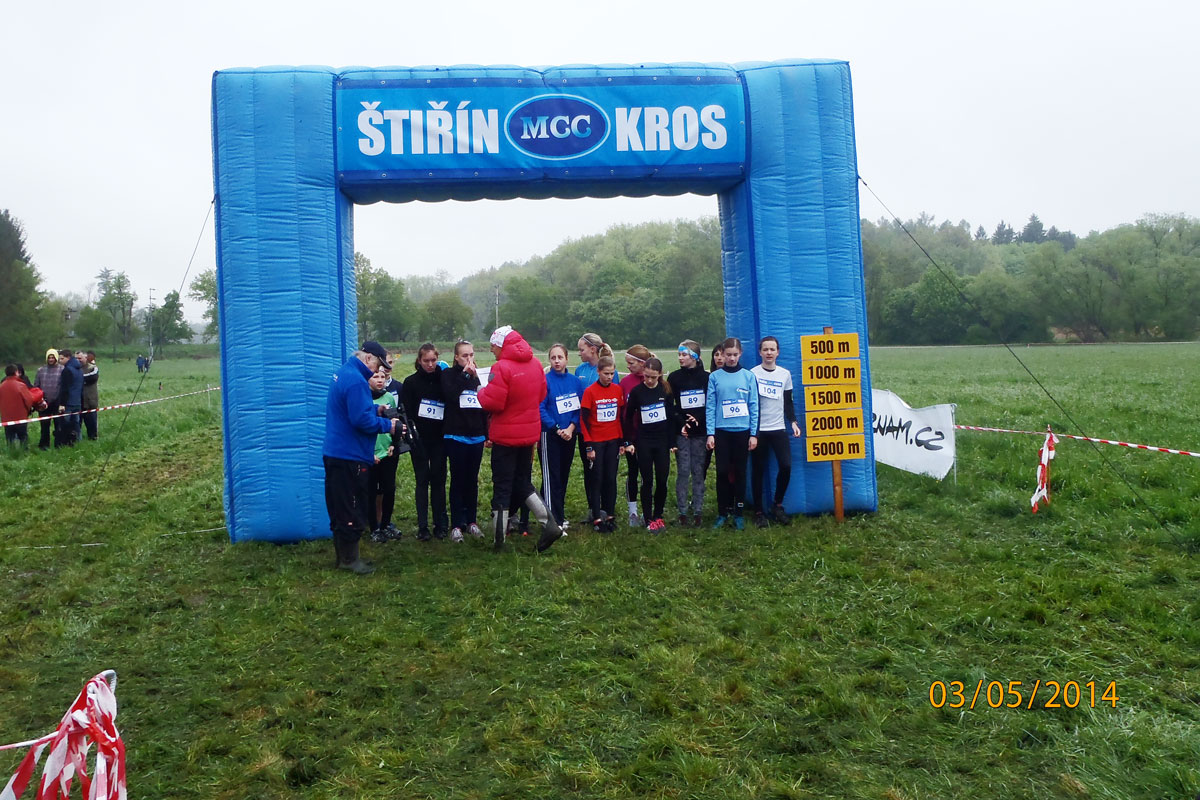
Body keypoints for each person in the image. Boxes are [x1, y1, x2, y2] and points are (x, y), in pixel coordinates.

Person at [477, 325, 564, 553]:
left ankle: (499, 541)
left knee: (502, 486)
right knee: (522, 482)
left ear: (501, 345)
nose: (492, 350)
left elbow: (493, 402)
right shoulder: (535, 364)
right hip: (528, 435)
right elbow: (541, 394)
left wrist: (480, 391)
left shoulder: (501, 367)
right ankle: (549, 523)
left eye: (493, 346)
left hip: (505, 437)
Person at [322, 341, 398, 574]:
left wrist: (376, 409)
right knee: (352, 506)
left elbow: (354, 410)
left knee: (339, 505)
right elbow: (360, 420)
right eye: (377, 365)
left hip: (336, 451)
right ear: (368, 358)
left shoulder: (344, 373)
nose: (378, 370)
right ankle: (350, 560)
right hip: (350, 454)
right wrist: (388, 426)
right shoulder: (356, 381)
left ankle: (342, 557)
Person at [705, 337, 759, 530]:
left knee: (740, 473)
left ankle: (739, 513)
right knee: (722, 472)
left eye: (735, 355)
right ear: (723, 354)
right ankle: (722, 512)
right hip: (722, 432)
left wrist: (754, 434)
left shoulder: (748, 376)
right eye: (728, 355)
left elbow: (754, 405)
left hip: (742, 431)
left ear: (740, 354)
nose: (732, 358)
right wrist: (710, 433)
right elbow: (711, 406)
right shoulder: (715, 377)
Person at [750, 336, 802, 527]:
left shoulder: (784, 374)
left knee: (786, 466)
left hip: (779, 428)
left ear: (778, 352)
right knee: (758, 470)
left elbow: (788, 402)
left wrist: (793, 422)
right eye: (765, 349)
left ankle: (777, 505)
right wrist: (751, 431)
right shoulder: (753, 374)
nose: (769, 353)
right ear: (760, 352)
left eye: (772, 349)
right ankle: (758, 512)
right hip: (759, 430)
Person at [441, 340, 488, 543]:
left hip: (476, 436)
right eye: (464, 356)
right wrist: (465, 375)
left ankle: (472, 521)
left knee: (472, 480)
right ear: (456, 357)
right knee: (458, 480)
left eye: (471, 355)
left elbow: (484, 406)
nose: (469, 359)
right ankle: (456, 525)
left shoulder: (479, 377)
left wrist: (487, 434)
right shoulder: (448, 375)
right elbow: (451, 395)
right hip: (456, 435)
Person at [624, 357, 676, 532]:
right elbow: (628, 418)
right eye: (646, 376)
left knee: (662, 479)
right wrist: (628, 441)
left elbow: (671, 417)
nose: (649, 380)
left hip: (662, 442)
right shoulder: (637, 392)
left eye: (653, 377)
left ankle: (658, 515)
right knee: (647, 481)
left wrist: (672, 442)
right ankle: (648, 519)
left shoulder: (665, 390)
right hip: (644, 441)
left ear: (659, 375)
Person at [403, 343, 449, 541]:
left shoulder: (443, 380)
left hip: (439, 439)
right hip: (419, 440)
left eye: (433, 360)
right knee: (422, 481)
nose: (430, 364)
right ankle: (423, 527)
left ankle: (441, 524)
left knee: (439, 481)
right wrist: (412, 437)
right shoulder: (410, 383)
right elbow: (406, 412)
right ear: (419, 361)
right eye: (426, 361)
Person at [539, 343, 583, 528]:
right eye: (553, 358)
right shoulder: (545, 381)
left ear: (567, 359)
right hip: (550, 435)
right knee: (552, 477)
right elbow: (540, 408)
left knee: (563, 476)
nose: (557, 361)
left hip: (569, 435)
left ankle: (558, 514)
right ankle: (552, 521)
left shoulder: (575, 382)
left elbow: (579, 408)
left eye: (560, 357)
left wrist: (571, 428)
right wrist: (556, 428)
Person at [580, 355, 625, 532]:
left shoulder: (617, 390)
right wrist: (589, 445)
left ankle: (610, 515)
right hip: (596, 442)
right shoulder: (590, 392)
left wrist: (621, 441)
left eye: (612, 373)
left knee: (610, 478)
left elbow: (619, 417)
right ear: (598, 372)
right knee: (597, 478)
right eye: (606, 373)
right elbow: (584, 420)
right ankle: (597, 517)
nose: (609, 377)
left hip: (613, 441)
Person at [575, 333, 617, 521]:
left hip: (605, 433)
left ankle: (607, 510)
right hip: (585, 431)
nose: (579, 353)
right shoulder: (580, 370)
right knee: (590, 470)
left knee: (606, 473)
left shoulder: (609, 371)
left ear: (593, 350)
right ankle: (593, 509)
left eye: (581, 349)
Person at [668, 340, 708, 527]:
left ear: (695, 357)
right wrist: (682, 422)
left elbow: (710, 403)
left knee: (698, 471)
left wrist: (698, 417)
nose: (680, 358)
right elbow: (670, 405)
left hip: (700, 431)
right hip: (682, 432)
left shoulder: (706, 378)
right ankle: (682, 511)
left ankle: (698, 510)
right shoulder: (674, 378)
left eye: (684, 354)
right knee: (683, 470)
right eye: (679, 354)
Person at [367, 366, 402, 543]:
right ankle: (374, 527)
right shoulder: (363, 399)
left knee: (389, 489)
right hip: (370, 454)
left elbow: (395, 423)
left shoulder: (389, 397)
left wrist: (394, 444)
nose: (380, 380)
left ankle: (386, 524)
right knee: (371, 491)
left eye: (382, 376)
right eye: (375, 376)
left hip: (388, 452)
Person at [619, 345, 652, 527]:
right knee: (633, 472)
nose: (628, 366)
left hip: (649, 436)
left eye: (631, 363)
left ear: (642, 363)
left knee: (648, 474)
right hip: (631, 436)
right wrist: (624, 439)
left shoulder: (652, 379)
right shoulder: (625, 382)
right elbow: (622, 411)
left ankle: (649, 512)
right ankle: (633, 512)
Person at [1, 364, 36, 448]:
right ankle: (24, 451)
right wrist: (29, 410)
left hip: (6, 418)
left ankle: (12, 451)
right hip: (20, 416)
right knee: (23, 436)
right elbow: (28, 400)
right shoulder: (21, 385)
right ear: (16, 372)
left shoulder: (1, 386)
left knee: (10, 437)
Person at [54, 348, 83, 448]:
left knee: (65, 424)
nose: (60, 361)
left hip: (68, 402)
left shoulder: (67, 370)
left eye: (62, 358)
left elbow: (65, 388)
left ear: (68, 358)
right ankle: (79, 442)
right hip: (77, 401)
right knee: (76, 423)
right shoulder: (79, 369)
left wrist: (62, 403)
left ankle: (66, 443)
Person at [33, 349, 62, 451]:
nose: (51, 359)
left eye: (53, 357)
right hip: (44, 402)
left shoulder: (62, 369)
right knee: (44, 425)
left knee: (59, 424)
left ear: (56, 358)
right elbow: (36, 386)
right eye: (49, 357)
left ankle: (59, 444)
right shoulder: (41, 370)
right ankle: (44, 445)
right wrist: (39, 400)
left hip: (57, 402)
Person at [80, 351, 99, 441]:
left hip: (90, 400)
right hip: (78, 401)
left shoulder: (92, 368)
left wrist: (77, 378)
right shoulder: (75, 368)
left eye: (80, 358)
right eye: (76, 358)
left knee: (91, 423)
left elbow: (92, 378)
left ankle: (93, 438)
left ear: (86, 358)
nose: (78, 360)